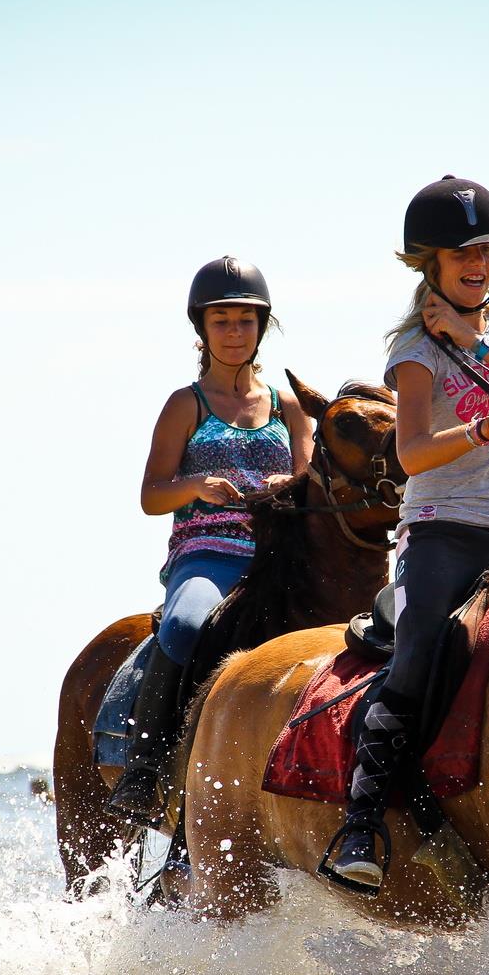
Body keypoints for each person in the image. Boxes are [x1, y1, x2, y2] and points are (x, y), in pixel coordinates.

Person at [323, 176, 489, 893]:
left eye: (488, 252)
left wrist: (477, 343)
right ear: (428, 263)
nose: (478, 264)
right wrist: (488, 426)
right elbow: (413, 453)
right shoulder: (410, 348)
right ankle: (361, 823)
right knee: (424, 644)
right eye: (462, 254)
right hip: (439, 533)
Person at [104, 257, 314, 825]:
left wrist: (289, 484)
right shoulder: (185, 404)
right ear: (202, 328)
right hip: (207, 555)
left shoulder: (287, 405)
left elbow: (314, 485)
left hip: (278, 557)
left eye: (245, 321)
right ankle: (146, 766)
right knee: (187, 625)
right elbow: (151, 496)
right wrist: (195, 484)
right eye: (222, 321)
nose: (234, 332)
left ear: (261, 328)